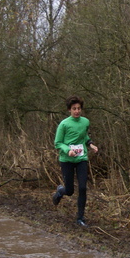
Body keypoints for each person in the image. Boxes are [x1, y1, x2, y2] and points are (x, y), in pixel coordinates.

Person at [51, 96, 98, 227]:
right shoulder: (64, 124)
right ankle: (61, 191)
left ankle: (80, 218)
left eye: (78, 109)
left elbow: (84, 136)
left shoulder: (85, 122)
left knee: (83, 188)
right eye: (74, 109)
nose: (77, 111)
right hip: (67, 160)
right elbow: (57, 143)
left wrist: (91, 144)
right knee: (70, 190)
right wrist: (68, 150)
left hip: (81, 158)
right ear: (69, 110)